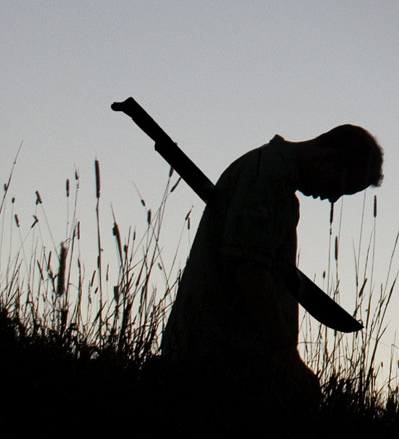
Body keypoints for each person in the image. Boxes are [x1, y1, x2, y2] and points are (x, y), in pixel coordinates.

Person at [161, 124, 384, 402]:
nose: (333, 199)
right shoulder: (268, 175)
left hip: (224, 367)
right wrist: (288, 360)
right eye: (340, 187)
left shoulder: (277, 182)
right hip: (212, 368)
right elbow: (250, 271)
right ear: (328, 159)